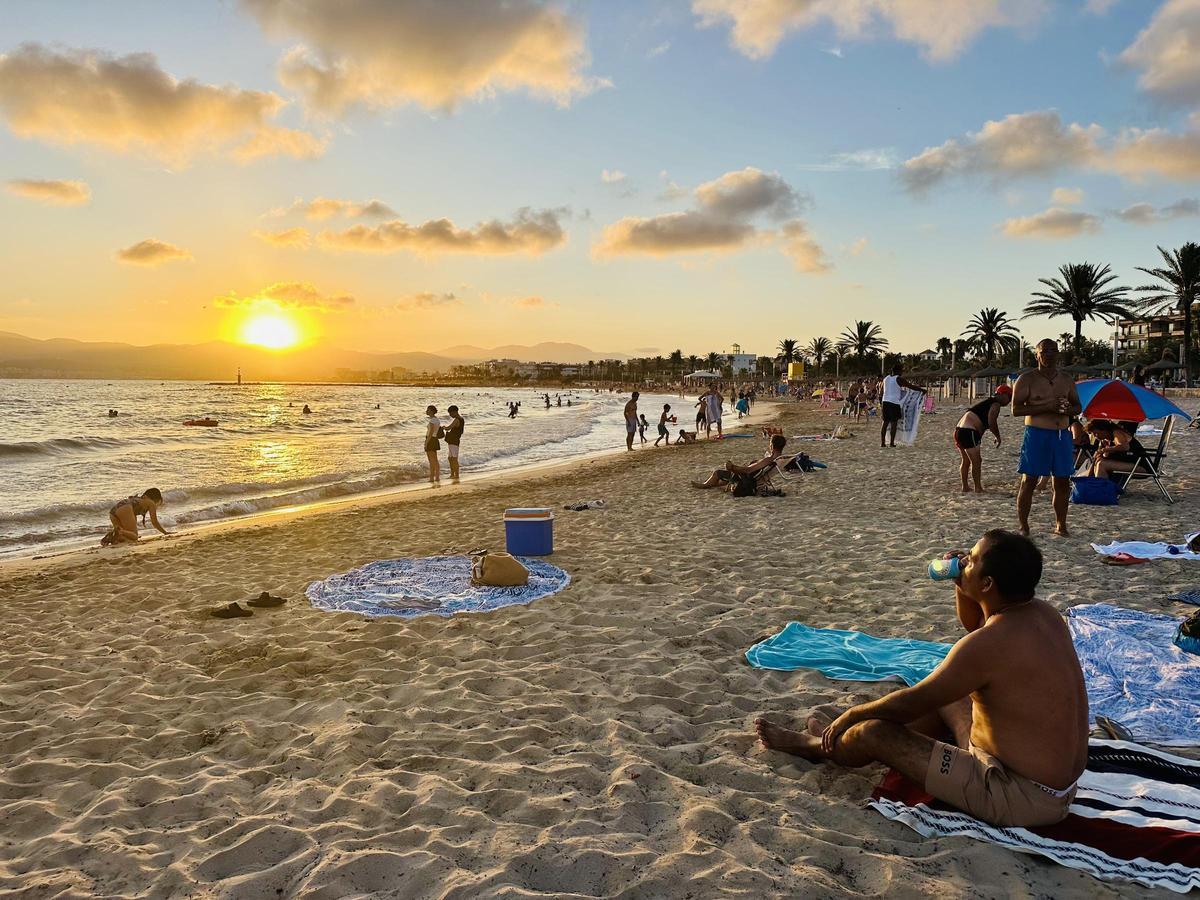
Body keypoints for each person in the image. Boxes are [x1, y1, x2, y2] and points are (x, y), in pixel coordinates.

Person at [755, 530, 1087, 829]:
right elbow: (978, 628)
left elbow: (913, 703)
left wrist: (851, 714)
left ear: (987, 584)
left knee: (875, 730)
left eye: (969, 560)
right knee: (953, 695)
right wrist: (961, 583)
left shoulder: (988, 645)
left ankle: (819, 747)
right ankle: (844, 741)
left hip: (1017, 795)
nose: (961, 561)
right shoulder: (1045, 615)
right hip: (1051, 783)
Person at [1013, 339, 1081, 536]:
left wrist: (1069, 408)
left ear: (1058, 354)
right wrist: (1047, 406)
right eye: (1045, 351)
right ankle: (1024, 526)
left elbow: (1078, 406)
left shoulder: (1066, 379)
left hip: (1061, 434)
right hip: (1037, 434)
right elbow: (1016, 409)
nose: (1049, 354)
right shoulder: (1027, 379)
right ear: (1037, 355)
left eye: (1053, 350)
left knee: (1061, 481)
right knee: (1029, 481)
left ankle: (1061, 524)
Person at [954, 385, 1013, 492]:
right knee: (976, 461)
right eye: (1009, 397)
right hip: (969, 431)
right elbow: (992, 422)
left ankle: (965, 486)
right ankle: (978, 487)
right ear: (1003, 395)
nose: (1009, 401)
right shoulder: (995, 404)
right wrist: (998, 436)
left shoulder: (987, 402)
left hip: (959, 430)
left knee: (966, 460)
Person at [691, 434, 787, 488]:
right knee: (724, 477)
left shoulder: (769, 459)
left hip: (745, 478)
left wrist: (732, 467)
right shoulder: (778, 458)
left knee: (717, 473)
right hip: (749, 477)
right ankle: (712, 484)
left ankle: (704, 485)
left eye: (770, 443)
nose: (769, 445)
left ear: (772, 445)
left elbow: (748, 471)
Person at [100, 488, 170, 545]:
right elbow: (154, 521)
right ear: (156, 499)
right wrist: (165, 532)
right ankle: (118, 532)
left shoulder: (138, 500)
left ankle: (111, 537)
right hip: (125, 507)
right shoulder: (151, 503)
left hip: (113, 512)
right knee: (134, 537)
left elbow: (132, 517)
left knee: (124, 535)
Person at [881, 365, 927, 448]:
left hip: (885, 402)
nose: (902, 372)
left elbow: (882, 391)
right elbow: (910, 386)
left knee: (885, 422)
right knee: (894, 422)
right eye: (901, 371)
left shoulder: (886, 378)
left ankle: (883, 443)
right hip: (894, 403)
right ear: (898, 371)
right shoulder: (898, 379)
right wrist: (922, 390)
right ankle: (891, 443)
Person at [444, 404, 465, 481]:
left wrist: (443, 427)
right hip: (453, 440)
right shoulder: (461, 419)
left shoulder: (457, 419)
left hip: (454, 441)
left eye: (451, 413)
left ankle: (456, 475)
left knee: (454, 458)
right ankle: (452, 474)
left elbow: (448, 428)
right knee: (450, 458)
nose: (450, 415)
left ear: (455, 412)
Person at [424, 405, 443, 485]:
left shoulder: (432, 421)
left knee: (431, 460)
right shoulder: (437, 420)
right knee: (435, 460)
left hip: (431, 439)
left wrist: (426, 443)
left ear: (431, 411)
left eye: (428, 410)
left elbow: (431, 432)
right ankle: (436, 477)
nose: (426, 411)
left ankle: (432, 477)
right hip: (435, 440)